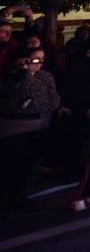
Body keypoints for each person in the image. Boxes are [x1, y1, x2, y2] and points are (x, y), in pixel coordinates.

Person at [0, 47, 61, 208]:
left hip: (39, 127)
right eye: (34, 59)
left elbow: (53, 102)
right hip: (15, 130)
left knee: (28, 166)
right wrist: (23, 73)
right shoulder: (12, 78)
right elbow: (12, 100)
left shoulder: (46, 76)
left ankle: (18, 196)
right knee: (10, 167)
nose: (38, 63)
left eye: (42, 59)